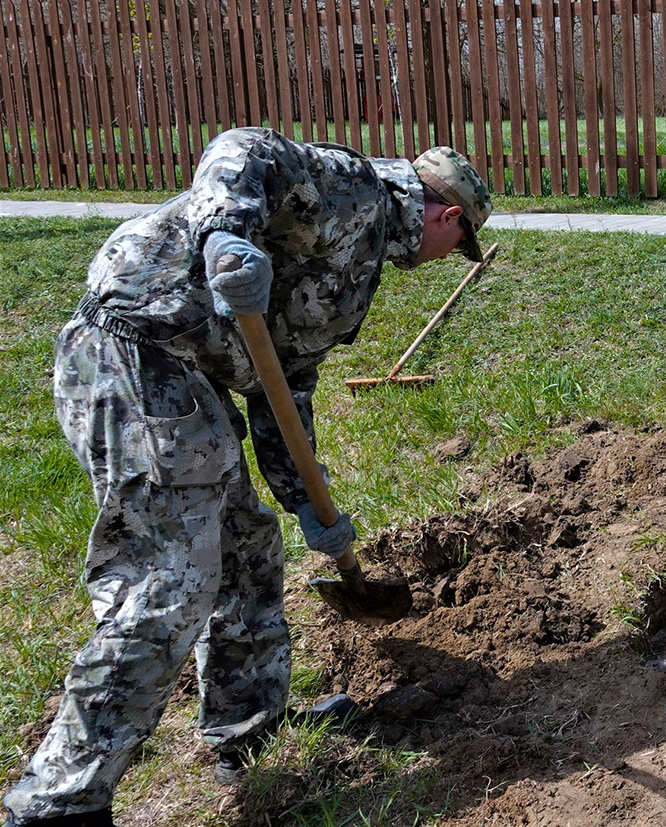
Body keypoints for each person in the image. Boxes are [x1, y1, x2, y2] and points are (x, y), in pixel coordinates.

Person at [4, 130, 492, 827]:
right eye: (459, 247)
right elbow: (240, 148)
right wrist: (226, 238)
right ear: (448, 218)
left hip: (186, 377)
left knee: (247, 550)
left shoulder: (362, 261)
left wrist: (308, 499)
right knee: (166, 587)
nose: (450, 261)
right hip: (134, 351)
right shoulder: (351, 186)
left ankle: (246, 727)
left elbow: (284, 382)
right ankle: (57, 804)